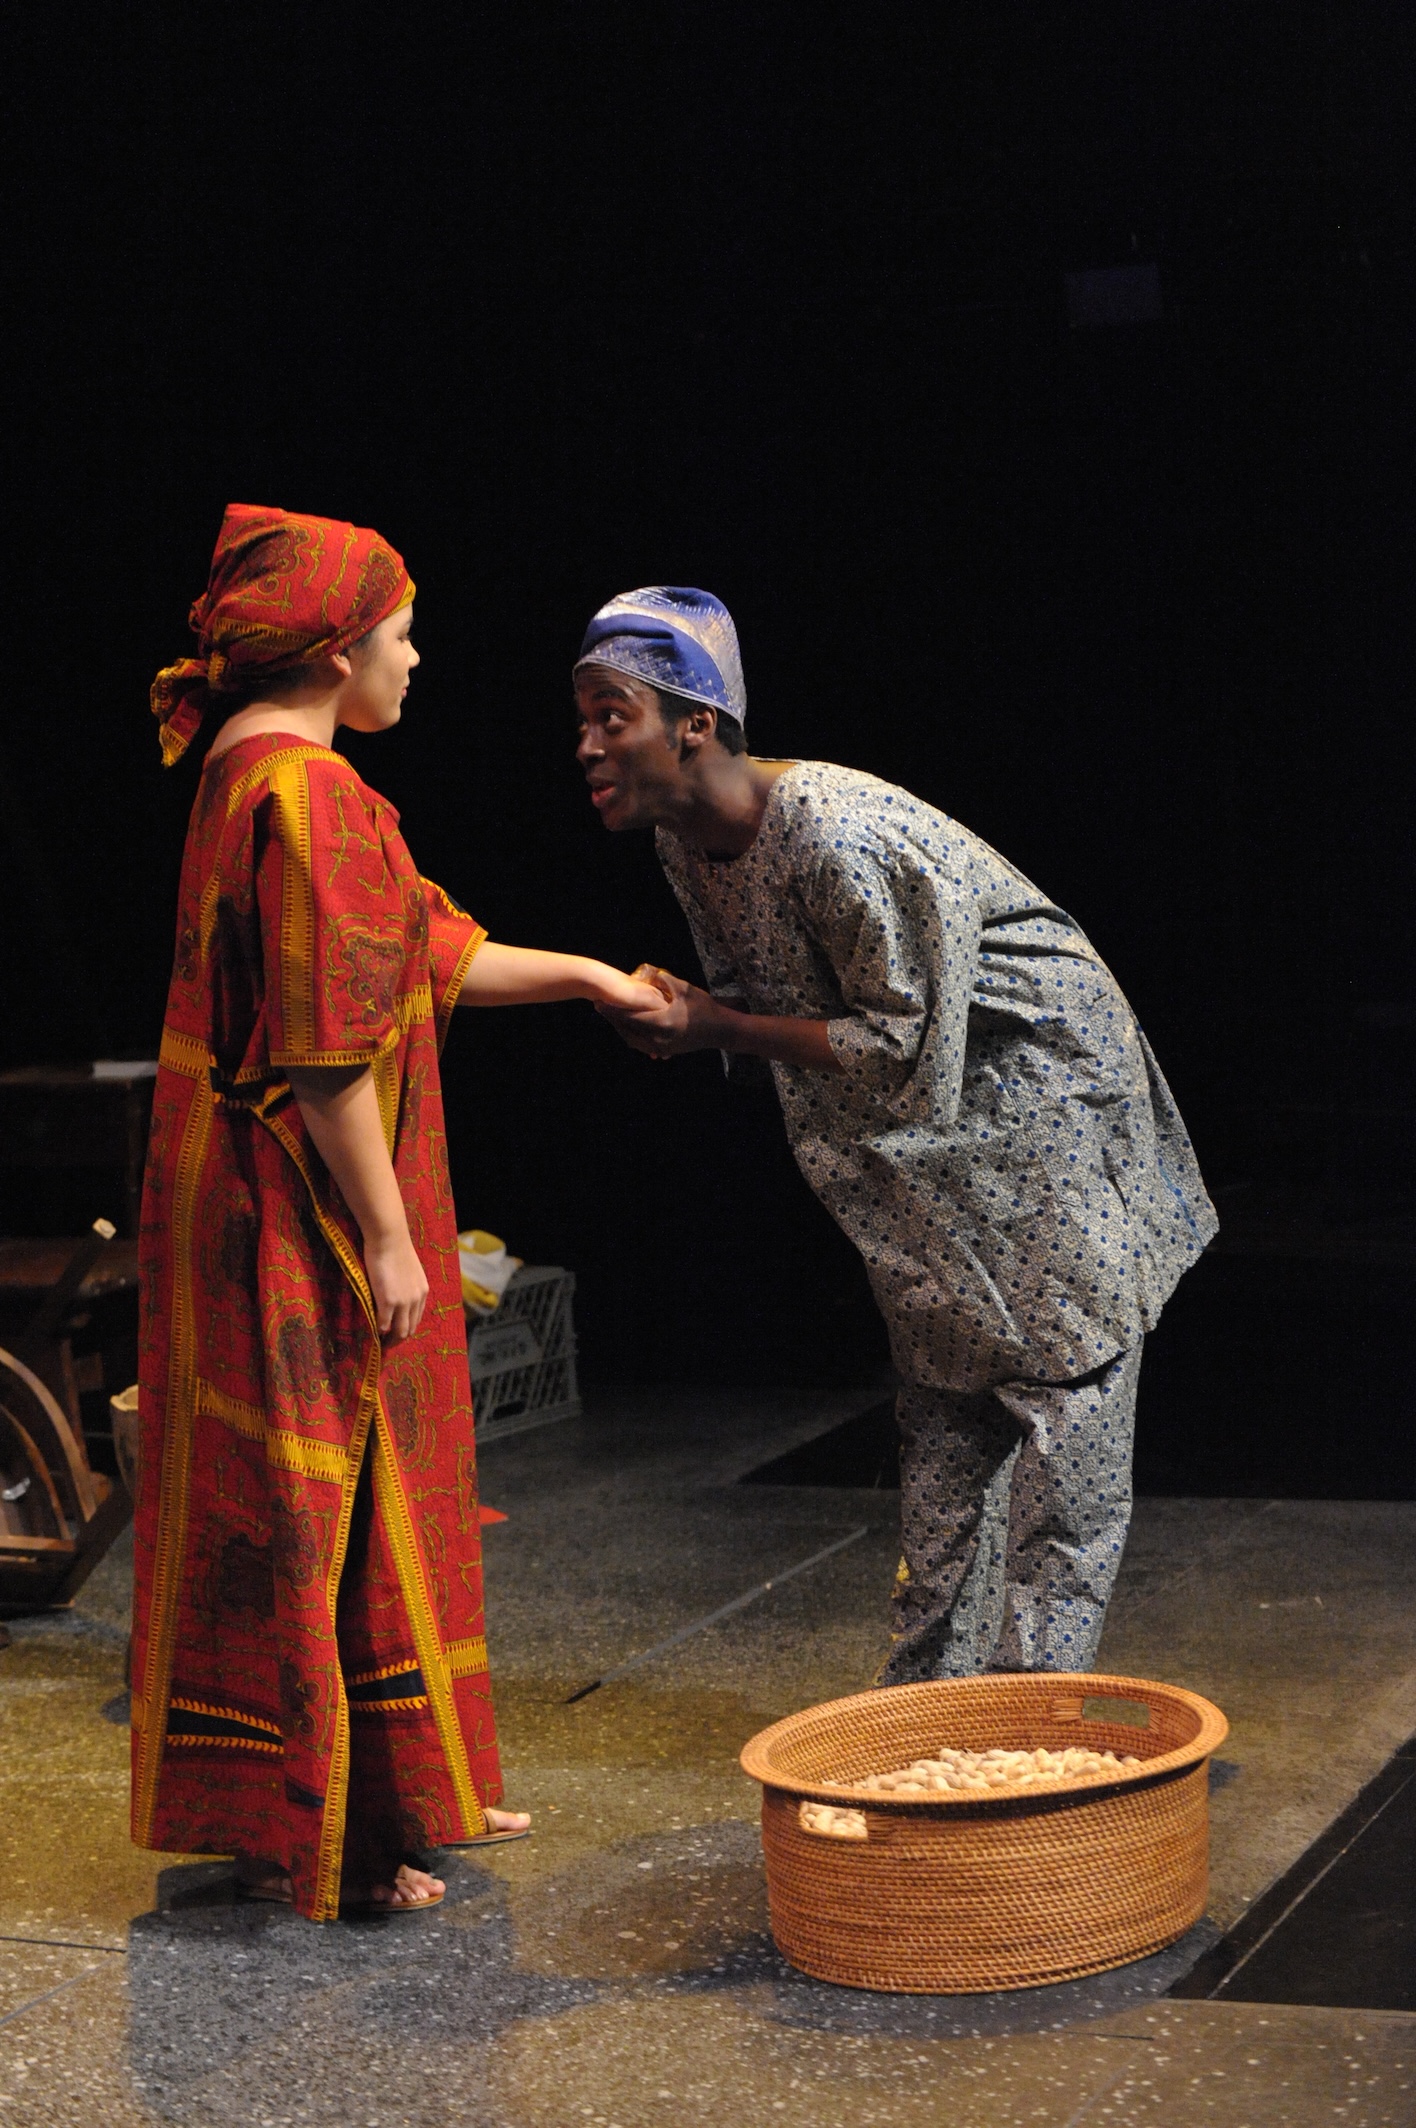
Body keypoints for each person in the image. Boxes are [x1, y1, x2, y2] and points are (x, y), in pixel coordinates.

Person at [135, 505, 662, 1920]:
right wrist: (385, 1235)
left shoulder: (247, 776)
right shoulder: (308, 799)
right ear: (332, 651)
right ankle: (351, 1840)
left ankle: (334, 1807)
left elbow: (425, 948)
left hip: (223, 1189)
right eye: (400, 634)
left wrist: (597, 980)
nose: (416, 660)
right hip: (293, 1197)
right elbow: (321, 1045)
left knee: (275, 1492)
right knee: (330, 1492)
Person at [578, 586, 1218, 1685]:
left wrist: (712, 1024)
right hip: (909, 1148)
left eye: (611, 715)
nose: (586, 745)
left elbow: (906, 1040)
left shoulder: (832, 828)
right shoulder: (686, 842)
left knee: (1064, 1419)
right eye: (581, 720)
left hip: (1038, 1109)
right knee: (945, 1414)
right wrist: (689, 1010)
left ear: (696, 722)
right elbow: (762, 997)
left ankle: (1031, 1731)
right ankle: (925, 1710)